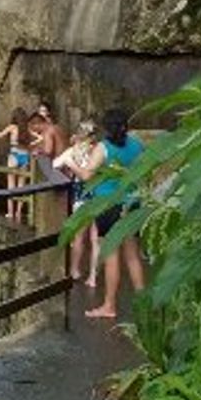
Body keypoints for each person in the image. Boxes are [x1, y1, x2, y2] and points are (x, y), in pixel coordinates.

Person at [70, 107, 146, 319]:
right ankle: (144, 305)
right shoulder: (137, 145)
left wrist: (72, 163)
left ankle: (109, 306)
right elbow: (145, 169)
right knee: (132, 256)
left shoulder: (104, 148)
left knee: (112, 256)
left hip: (108, 205)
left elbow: (86, 175)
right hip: (132, 203)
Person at [53, 119, 100, 287]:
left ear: (79, 134)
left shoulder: (73, 152)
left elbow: (55, 163)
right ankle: (93, 276)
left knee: (79, 237)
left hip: (82, 198)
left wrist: (70, 164)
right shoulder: (100, 150)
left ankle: (75, 270)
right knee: (96, 239)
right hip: (101, 197)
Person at [0, 107, 32, 221]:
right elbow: (40, 138)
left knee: (11, 186)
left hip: (14, 156)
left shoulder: (12, 127)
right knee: (22, 187)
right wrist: (31, 146)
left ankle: (10, 213)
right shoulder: (26, 129)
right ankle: (18, 213)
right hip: (24, 157)